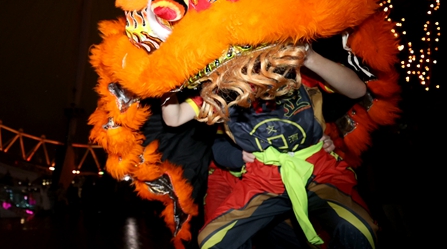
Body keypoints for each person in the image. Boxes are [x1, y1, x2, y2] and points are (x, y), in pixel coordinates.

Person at [162, 43, 378, 249]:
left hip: (317, 167)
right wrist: (163, 79)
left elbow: (358, 90)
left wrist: (310, 57)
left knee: (359, 229)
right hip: (263, 177)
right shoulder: (224, 88)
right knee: (214, 241)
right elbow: (174, 117)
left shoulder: (294, 68)